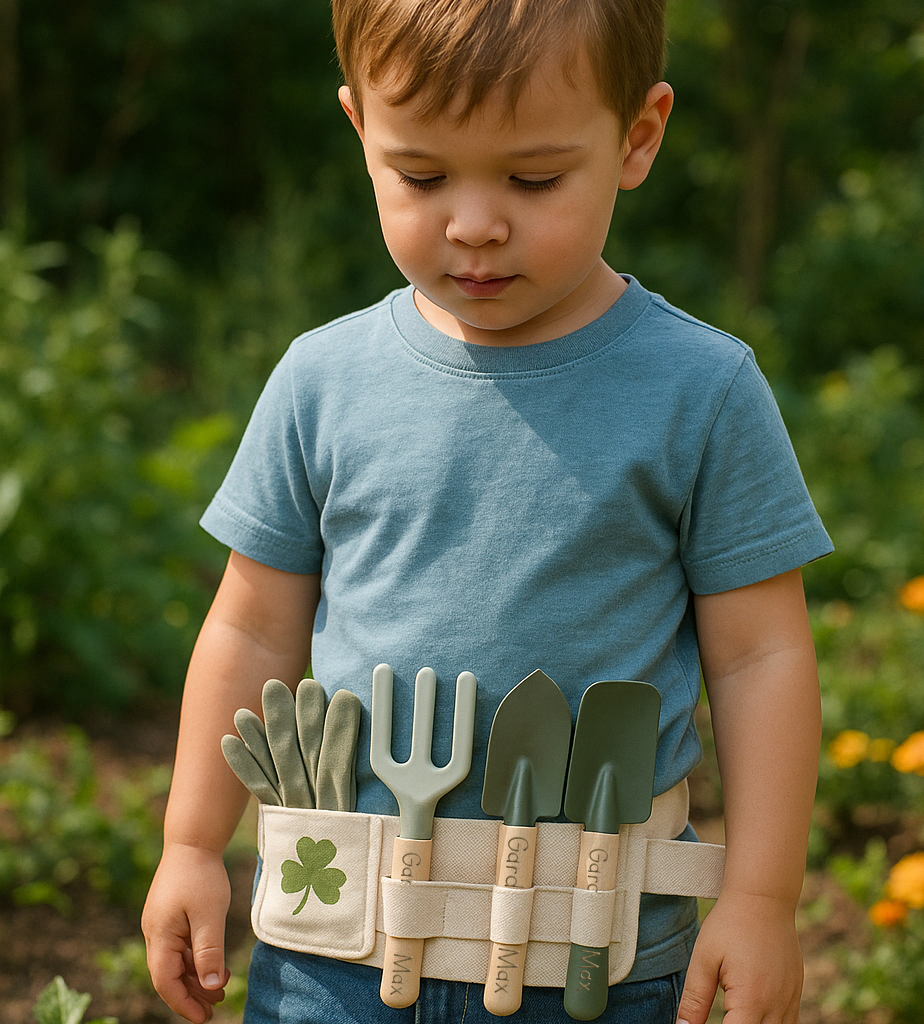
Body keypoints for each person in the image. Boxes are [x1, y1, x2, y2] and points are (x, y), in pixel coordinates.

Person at [141, 1, 832, 1022]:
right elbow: (250, 625)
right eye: (421, 176)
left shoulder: (701, 391)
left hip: (597, 955)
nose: (473, 222)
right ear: (360, 134)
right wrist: (192, 843)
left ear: (637, 138)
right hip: (336, 945)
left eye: (533, 177)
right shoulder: (321, 381)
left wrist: (763, 897)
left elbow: (759, 656)